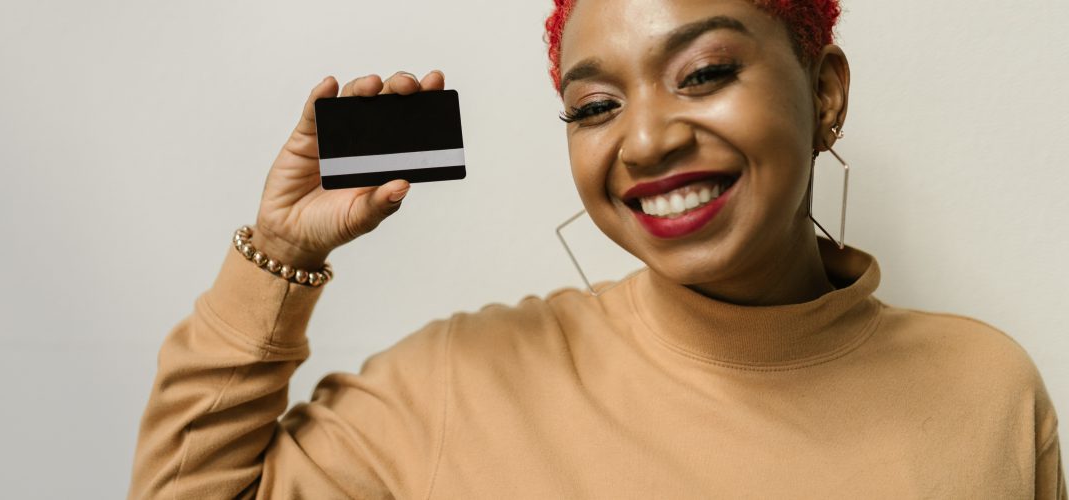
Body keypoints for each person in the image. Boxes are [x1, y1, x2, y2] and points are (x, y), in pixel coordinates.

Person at [128, 0, 1066, 497]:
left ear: (824, 94)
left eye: (702, 73)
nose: (646, 140)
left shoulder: (985, 388)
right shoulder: (464, 382)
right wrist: (276, 259)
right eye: (596, 107)